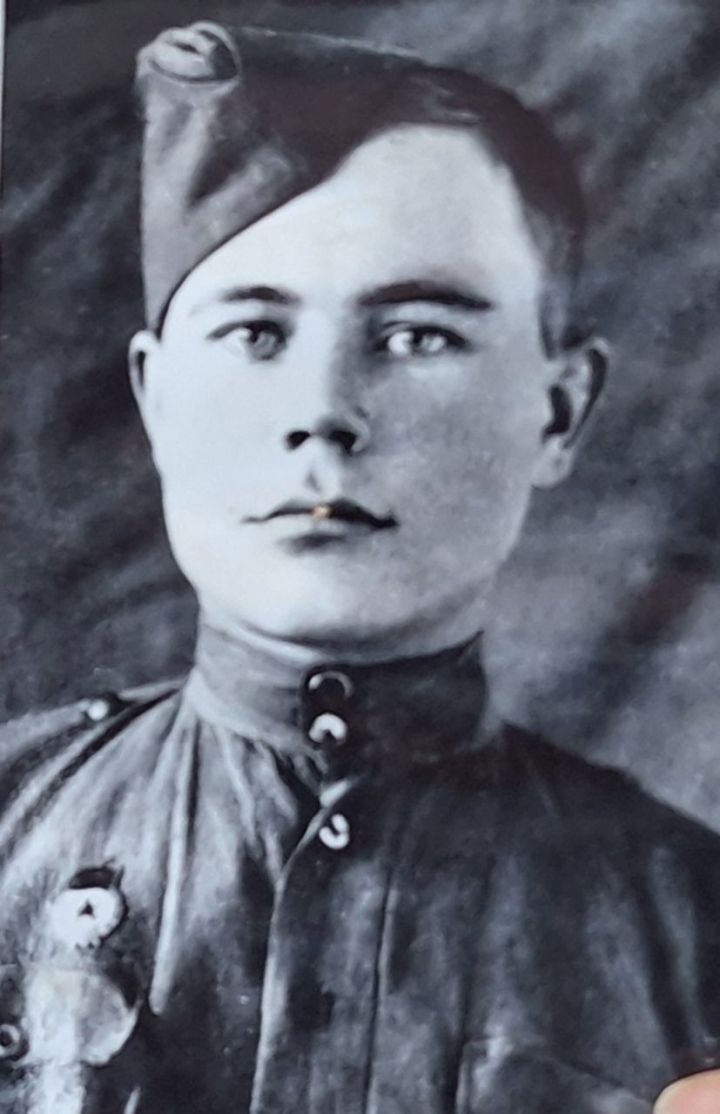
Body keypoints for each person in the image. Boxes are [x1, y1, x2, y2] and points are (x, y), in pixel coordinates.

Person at [0, 20, 718, 1114]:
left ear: (560, 409)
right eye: (255, 333)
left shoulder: (688, 930)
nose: (323, 412)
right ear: (156, 397)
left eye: (417, 335)